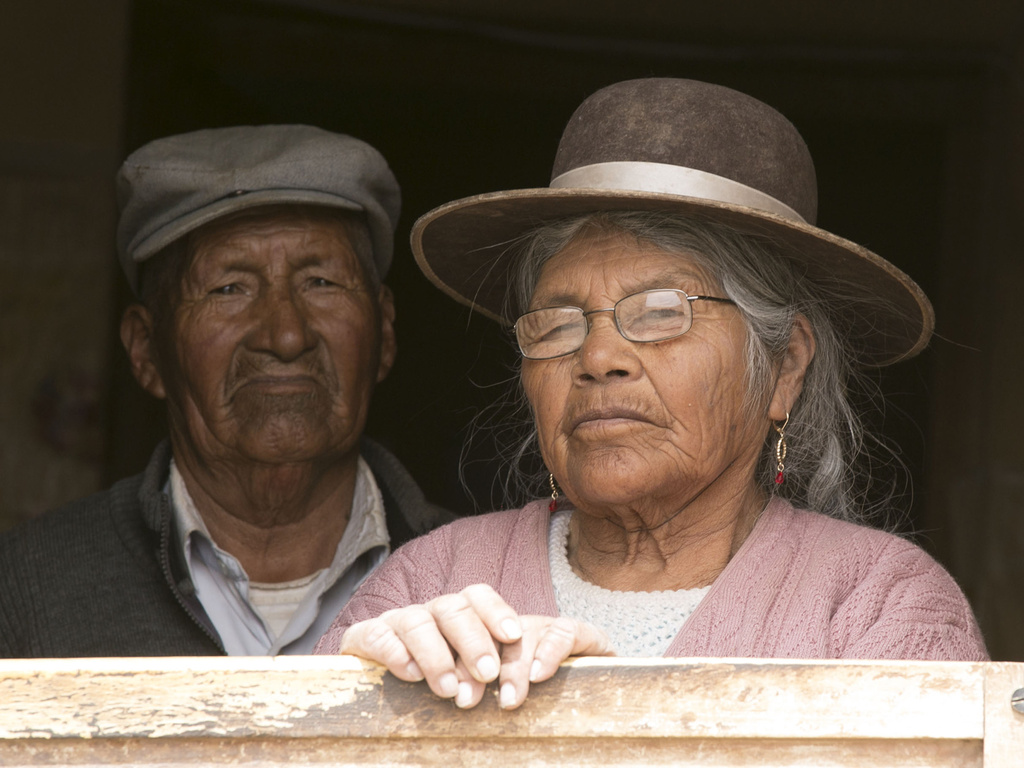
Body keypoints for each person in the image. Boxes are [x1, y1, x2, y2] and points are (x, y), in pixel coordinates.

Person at [314, 79, 987, 708]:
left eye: (663, 313)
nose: (599, 358)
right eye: (557, 323)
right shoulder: (433, 579)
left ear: (783, 367)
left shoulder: (879, 604)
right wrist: (357, 700)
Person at [0, 125, 452, 657]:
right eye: (228, 288)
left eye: (321, 282)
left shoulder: (484, 576)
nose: (286, 335)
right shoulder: (27, 589)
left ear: (385, 332)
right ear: (146, 351)